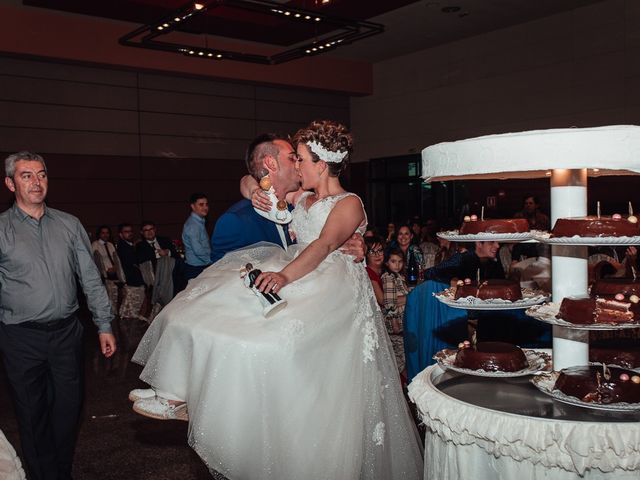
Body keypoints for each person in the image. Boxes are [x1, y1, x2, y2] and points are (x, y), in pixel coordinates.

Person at [131, 121, 423, 479]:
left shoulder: (350, 204)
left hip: (330, 287)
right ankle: (179, 392)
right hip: (300, 269)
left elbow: (324, 244)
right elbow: (252, 179)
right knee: (211, 306)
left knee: (271, 347)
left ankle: (234, 416)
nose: (296, 166)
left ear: (321, 163)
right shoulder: (303, 196)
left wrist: (284, 277)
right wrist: (254, 187)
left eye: (299, 159)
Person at [0, 151, 116, 480]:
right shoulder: (1, 230)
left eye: (41, 174)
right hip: (20, 336)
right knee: (31, 414)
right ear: (11, 183)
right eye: (26, 176)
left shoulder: (69, 224)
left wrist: (103, 324)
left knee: (68, 411)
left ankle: (59, 472)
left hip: (67, 334)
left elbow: (90, 278)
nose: (36, 182)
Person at [404, 241, 503, 379]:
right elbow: (430, 273)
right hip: (449, 313)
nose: (497, 245)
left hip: (476, 315)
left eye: (498, 242)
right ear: (478, 243)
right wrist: (451, 283)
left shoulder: (493, 263)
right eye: (492, 242)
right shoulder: (463, 258)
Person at [381, 248, 410, 375]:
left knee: (403, 356)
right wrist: (394, 322)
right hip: (395, 324)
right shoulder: (388, 277)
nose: (397, 265)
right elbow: (389, 302)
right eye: (393, 261)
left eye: (400, 261)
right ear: (387, 263)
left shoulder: (399, 276)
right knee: (399, 359)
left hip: (402, 320)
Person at [182, 193, 211, 281]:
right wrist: (211, 261)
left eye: (206, 204)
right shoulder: (193, 225)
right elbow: (198, 250)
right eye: (201, 205)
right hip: (196, 269)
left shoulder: (199, 221)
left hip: (199, 266)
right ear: (193, 206)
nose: (205, 208)